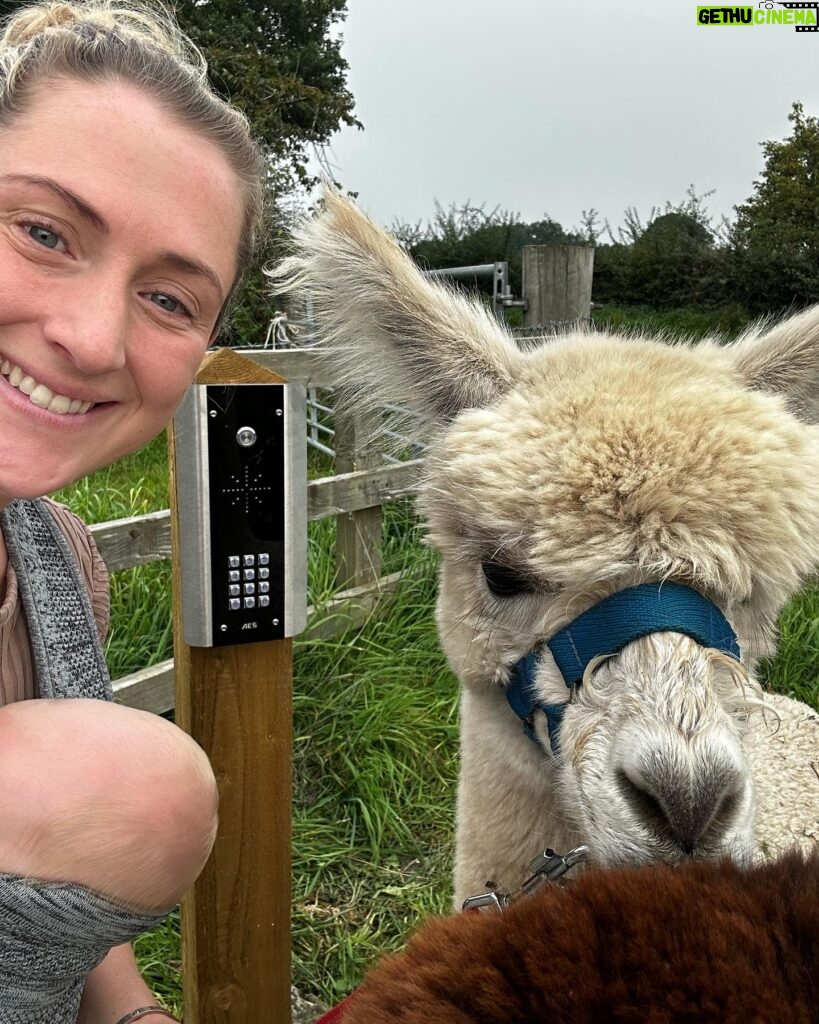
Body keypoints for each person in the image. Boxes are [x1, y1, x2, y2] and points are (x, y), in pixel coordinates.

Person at [0, 1, 265, 1020]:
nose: (94, 339)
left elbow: (48, 886)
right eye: (42, 231)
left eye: (169, 299)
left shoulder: (59, 562)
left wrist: (130, 1010)